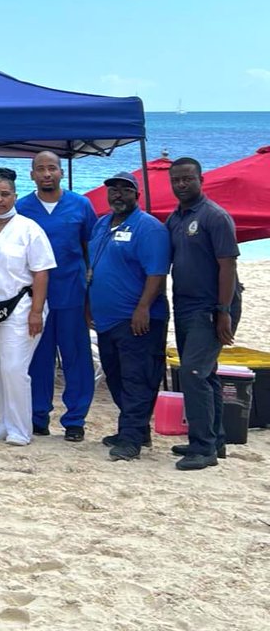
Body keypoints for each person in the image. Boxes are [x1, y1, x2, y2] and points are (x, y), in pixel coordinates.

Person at [88, 171, 170, 462]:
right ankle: (135, 430)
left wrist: (143, 308)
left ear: (137, 195)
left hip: (138, 318)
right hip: (107, 320)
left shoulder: (149, 228)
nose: (118, 195)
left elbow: (157, 273)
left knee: (138, 379)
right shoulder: (101, 224)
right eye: (113, 190)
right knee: (116, 377)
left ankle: (131, 440)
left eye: (125, 190)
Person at [15, 151, 97, 441]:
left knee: (76, 358)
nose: (46, 173)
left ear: (61, 172)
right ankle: (38, 416)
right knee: (38, 358)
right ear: (32, 175)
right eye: (40, 169)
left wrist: (91, 293)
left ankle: (75, 419)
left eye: (52, 168)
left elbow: (92, 250)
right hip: (34, 298)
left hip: (72, 295)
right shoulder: (21, 207)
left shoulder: (81, 205)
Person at [166, 157, 240, 470]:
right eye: (177, 180)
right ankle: (214, 438)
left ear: (201, 180)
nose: (182, 185)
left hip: (212, 306)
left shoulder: (215, 216)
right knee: (206, 374)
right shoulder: (174, 218)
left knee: (193, 374)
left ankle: (202, 448)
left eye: (188, 179)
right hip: (184, 304)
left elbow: (228, 266)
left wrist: (223, 311)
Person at [0, 168, 56, 446]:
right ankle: (4, 422)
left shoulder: (29, 229)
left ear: (15, 196)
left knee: (14, 368)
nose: (0, 200)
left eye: (5, 194)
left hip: (21, 308)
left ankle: (21, 429)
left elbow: (41, 273)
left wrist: (36, 311)